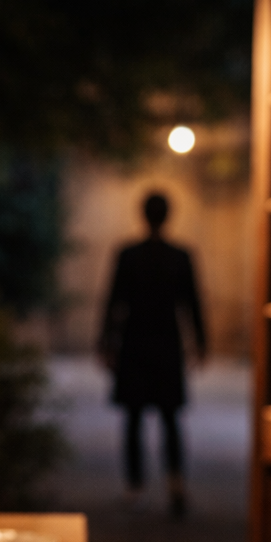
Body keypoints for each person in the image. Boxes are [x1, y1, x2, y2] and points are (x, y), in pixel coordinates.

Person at [98, 191, 207, 516]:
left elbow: (113, 301)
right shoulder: (180, 256)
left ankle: (135, 483)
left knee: (133, 416)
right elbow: (193, 302)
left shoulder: (128, 255)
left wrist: (106, 342)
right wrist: (200, 342)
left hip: (135, 340)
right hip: (166, 341)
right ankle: (175, 480)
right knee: (171, 416)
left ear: (143, 215)